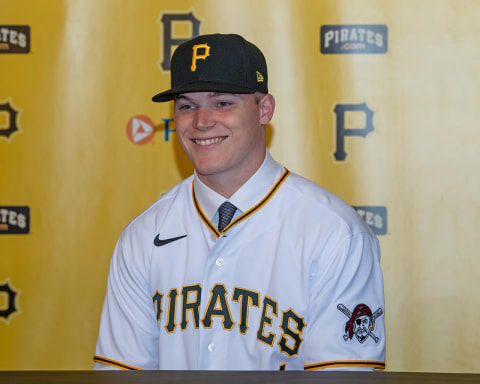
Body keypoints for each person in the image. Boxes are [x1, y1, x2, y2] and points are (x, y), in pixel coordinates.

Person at [93, 33, 385, 371]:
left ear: (265, 110)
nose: (201, 121)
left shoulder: (335, 233)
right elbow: (123, 374)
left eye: (222, 103)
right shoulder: (143, 236)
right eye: (187, 105)